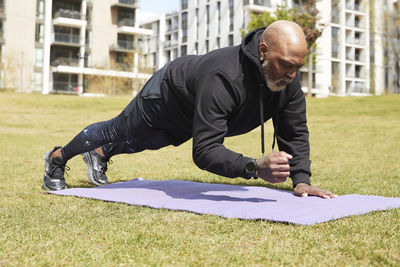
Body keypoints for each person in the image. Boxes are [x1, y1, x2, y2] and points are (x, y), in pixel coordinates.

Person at [43, 20, 336, 199]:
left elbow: (294, 132)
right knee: (122, 128)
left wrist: (301, 181)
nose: (292, 74)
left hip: (194, 107)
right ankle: (56, 158)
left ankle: (100, 154)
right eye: (285, 63)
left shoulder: (289, 84)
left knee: (149, 141)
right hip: (169, 93)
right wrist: (254, 168)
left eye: (298, 66)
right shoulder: (225, 77)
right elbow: (205, 150)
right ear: (263, 51)